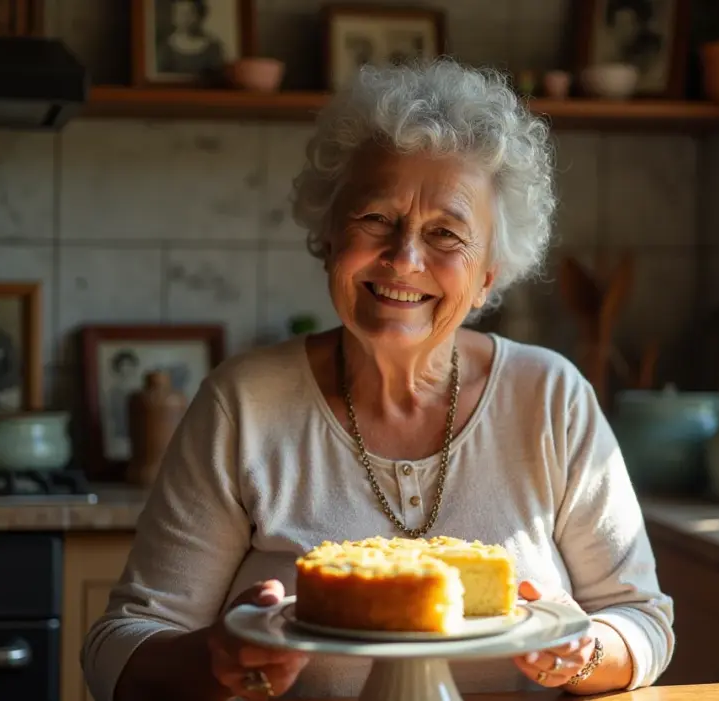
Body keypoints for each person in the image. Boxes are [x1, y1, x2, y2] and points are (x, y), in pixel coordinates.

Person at [81, 58, 675, 701]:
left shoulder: (550, 398)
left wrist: (584, 656)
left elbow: (643, 621)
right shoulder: (244, 404)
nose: (404, 259)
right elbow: (118, 644)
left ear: (487, 278)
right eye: (375, 220)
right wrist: (214, 661)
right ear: (330, 239)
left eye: (446, 233)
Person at [157, 0, 226, 77]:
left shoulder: (213, 47)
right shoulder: (166, 48)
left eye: (188, 14)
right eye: (179, 13)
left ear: (200, 16)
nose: (184, 19)